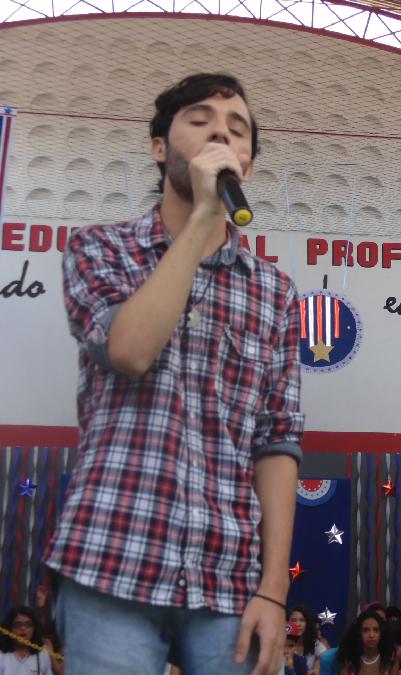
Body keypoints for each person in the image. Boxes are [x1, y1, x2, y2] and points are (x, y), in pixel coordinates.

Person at [43, 73, 304, 675]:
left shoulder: (275, 292)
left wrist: (274, 590)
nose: (220, 132)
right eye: (200, 120)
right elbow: (130, 351)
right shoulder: (100, 249)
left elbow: (277, 440)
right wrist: (203, 218)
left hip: (229, 576)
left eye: (236, 129)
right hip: (112, 557)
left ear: (247, 164)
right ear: (160, 147)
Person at [0, 606, 61, 675]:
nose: (23, 628)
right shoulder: (2, 655)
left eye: (28, 624)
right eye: (18, 624)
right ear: (9, 628)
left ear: (34, 629)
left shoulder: (42, 655)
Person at [337, 608, 398, 675]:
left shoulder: (390, 658)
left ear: (381, 632)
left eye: (376, 630)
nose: (371, 635)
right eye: (366, 630)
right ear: (359, 632)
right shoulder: (349, 658)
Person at [288, 605, 329, 671]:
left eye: (302, 620)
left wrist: (317, 666)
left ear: (307, 624)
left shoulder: (314, 643)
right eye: (294, 620)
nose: (298, 624)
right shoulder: (282, 643)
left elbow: (326, 657)